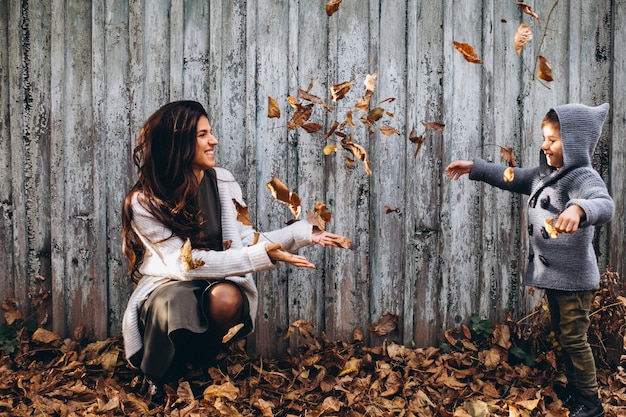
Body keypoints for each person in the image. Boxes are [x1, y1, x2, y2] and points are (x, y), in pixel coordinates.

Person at [121, 100, 347, 390]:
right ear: (177, 142)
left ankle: (200, 367)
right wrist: (259, 255)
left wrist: (303, 233)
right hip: (169, 284)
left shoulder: (224, 182)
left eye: (210, 132)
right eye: (202, 135)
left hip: (217, 282)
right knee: (175, 301)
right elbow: (184, 265)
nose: (213, 140)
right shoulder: (143, 202)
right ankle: (158, 377)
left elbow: (247, 242)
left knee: (227, 298)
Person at [445, 103, 613, 417]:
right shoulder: (544, 175)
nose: (544, 145)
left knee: (575, 339)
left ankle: (591, 403)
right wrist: (476, 168)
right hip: (555, 276)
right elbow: (512, 176)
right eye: (544, 138)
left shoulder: (582, 178)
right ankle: (577, 391)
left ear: (574, 144)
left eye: (552, 140)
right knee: (565, 336)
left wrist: (578, 209)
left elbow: (603, 204)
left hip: (575, 280)